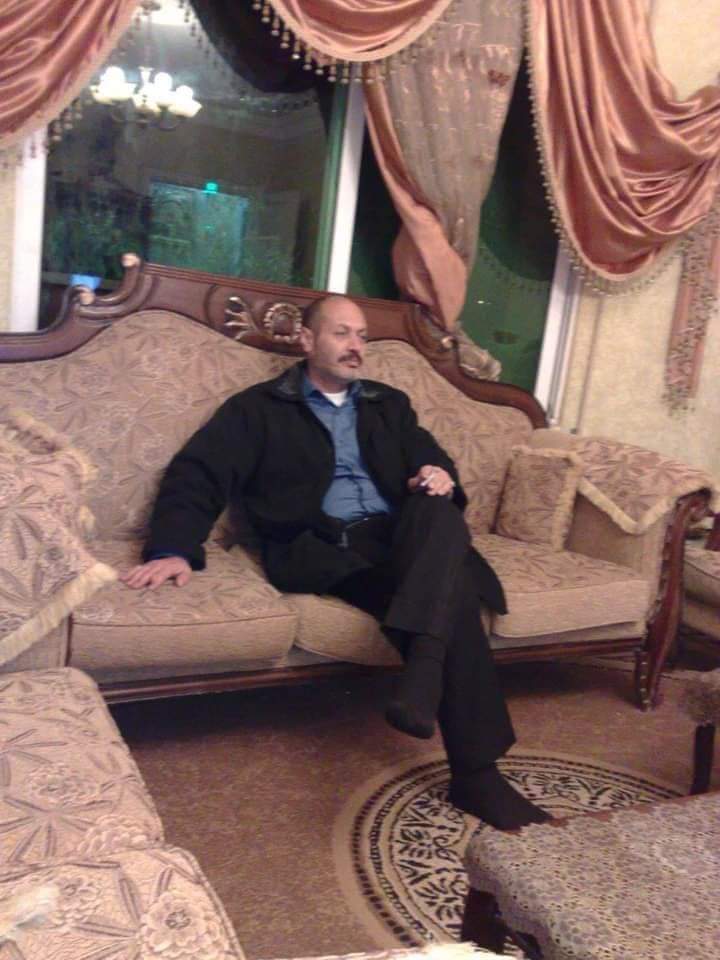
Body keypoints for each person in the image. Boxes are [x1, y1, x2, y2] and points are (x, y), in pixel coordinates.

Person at [122, 294, 550, 830]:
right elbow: (197, 474)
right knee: (454, 587)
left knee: (439, 513)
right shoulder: (258, 409)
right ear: (307, 339)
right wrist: (172, 548)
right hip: (326, 548)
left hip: (401, 538)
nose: (356, 347)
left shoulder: (388, 403)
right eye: (342, 333)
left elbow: (430, 455)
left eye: (362, 336)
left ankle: (424, 673)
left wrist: (436, 474)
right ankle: (476, 774)